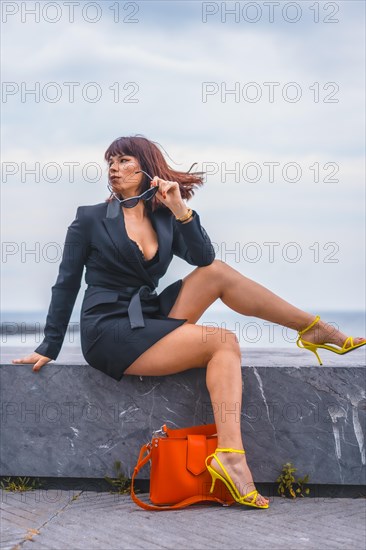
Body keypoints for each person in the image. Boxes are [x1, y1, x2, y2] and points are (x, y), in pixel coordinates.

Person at [12, 135, 366, 509]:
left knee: (217, 273)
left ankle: (311, 328)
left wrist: (181, 210)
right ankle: (231, 458)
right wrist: (49, 345)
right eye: (110, 162)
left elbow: (203, 256)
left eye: (124, 160)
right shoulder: (90, 219)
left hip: (147, 315)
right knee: (222, 341)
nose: (114, 168)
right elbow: (66, 282)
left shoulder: (164, 216)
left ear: (147, 168)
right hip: (109, 330)